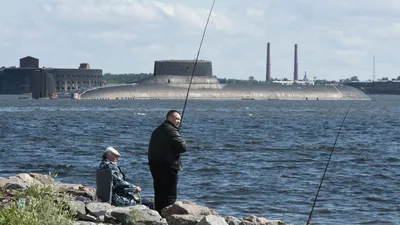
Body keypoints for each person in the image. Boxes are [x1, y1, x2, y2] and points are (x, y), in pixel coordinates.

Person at [148, 110, 187, 214]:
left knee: (159, 192)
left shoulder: (157, 130)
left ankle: (159, 212)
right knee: (170, 193)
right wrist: (179, 135)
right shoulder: (171, 130)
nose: (179, 121)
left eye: (180, 119)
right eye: (176, 119)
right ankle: (168, 215)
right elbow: (183, 147)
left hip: (155, 166)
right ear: (169, 118)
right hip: (168, 167)